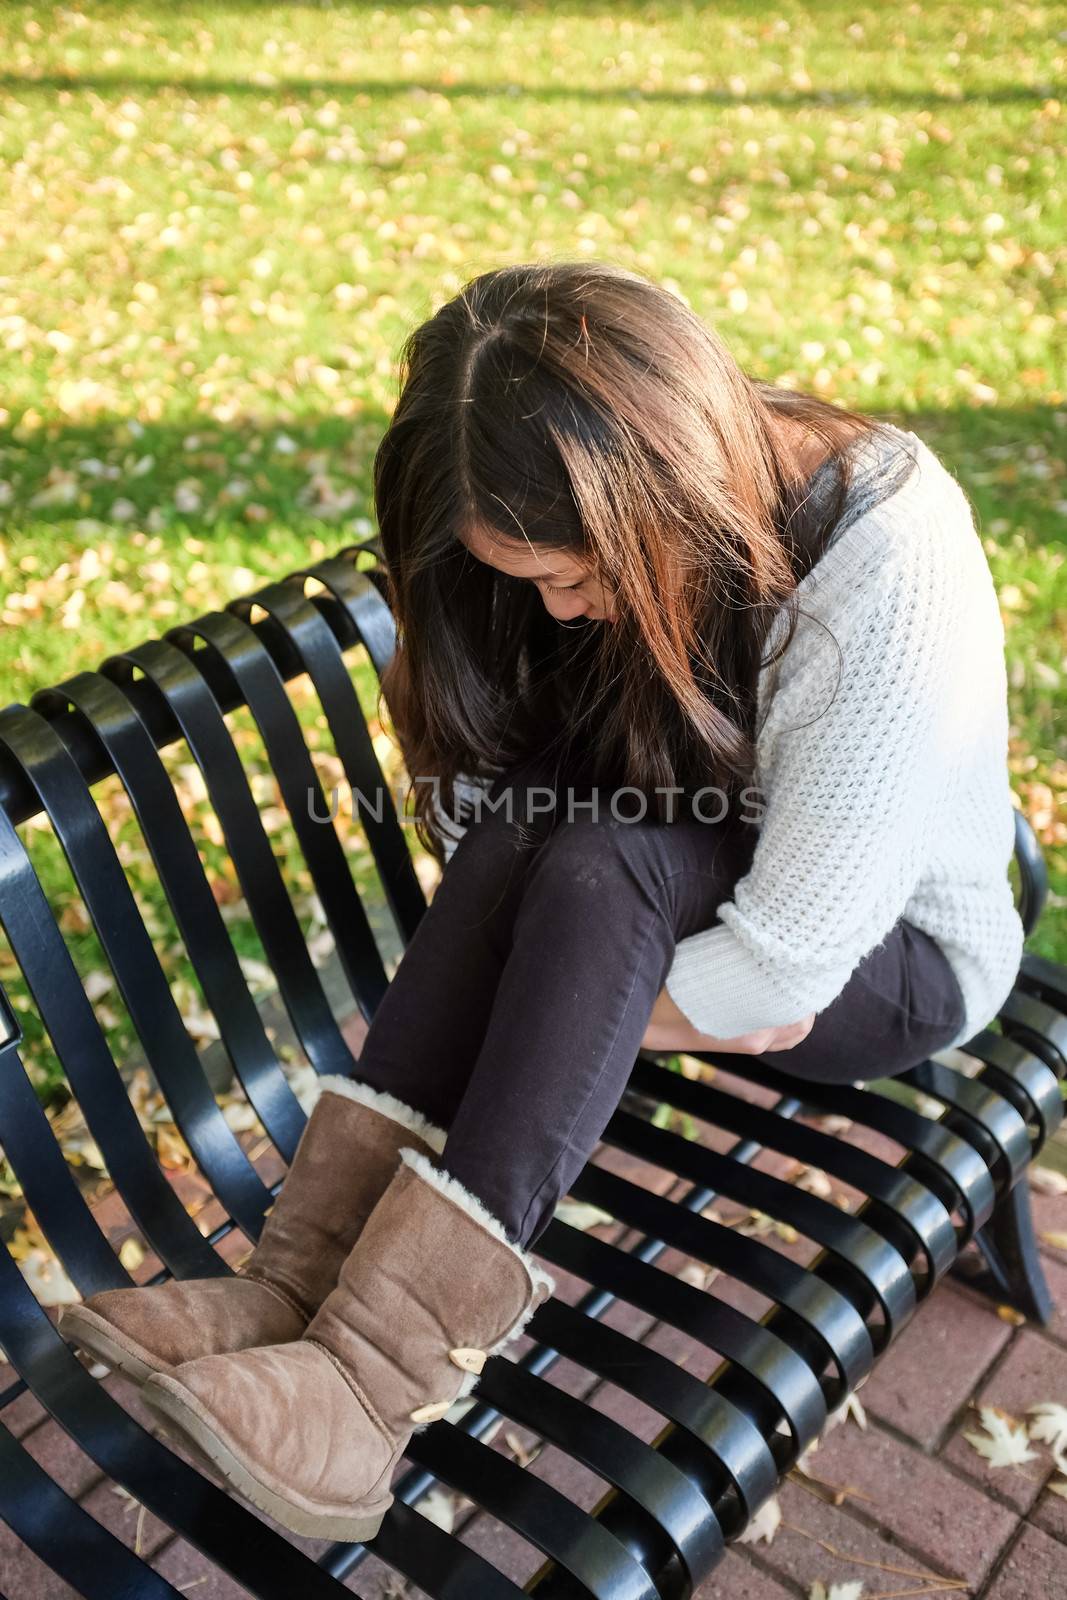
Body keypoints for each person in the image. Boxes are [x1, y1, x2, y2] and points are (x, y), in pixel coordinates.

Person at [61, 260, 1024, 1542]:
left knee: (596, 868)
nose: (554, 605)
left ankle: (371, 1388)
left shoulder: (884, 560)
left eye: (570, 575)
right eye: (521, 578)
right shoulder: (614, 526)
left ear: (655, 493)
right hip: (696, 868)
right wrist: (549, 949)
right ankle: (295, 1291)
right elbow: (496, 813)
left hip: (900, 953)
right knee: (548, 836)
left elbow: (779, 980)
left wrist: (562, 997)